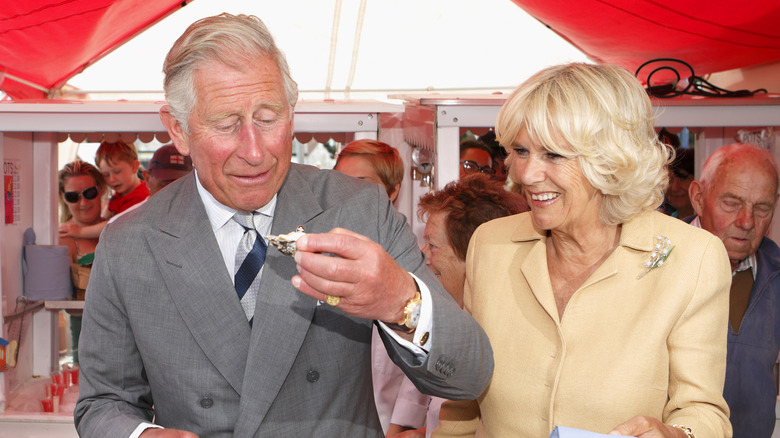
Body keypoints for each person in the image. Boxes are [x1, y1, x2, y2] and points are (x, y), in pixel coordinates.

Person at [74, 13, 493, 438]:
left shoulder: (358, 210)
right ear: (178, 130)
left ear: (293, 113)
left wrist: (402, 300)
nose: (255, 151)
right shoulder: (130, 242)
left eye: (269, 118)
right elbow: (102, 403)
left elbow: (468, 376)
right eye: (226, 124)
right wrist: (142, 435)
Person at [434, 63, 732, 438]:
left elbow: (703, 411)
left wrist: (676, 434)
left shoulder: (694, 257)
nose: (526, 174)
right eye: (522, 151)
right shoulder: (491, 244)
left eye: (554, 155)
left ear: (612, 160)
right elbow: (464, 398)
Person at [412, 174, 527, 437]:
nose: (423, 255)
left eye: (432, 244)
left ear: (473, 255)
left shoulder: (495, 334)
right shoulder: (452, 318)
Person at [333, 139, 430, 437]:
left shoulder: (412, 260)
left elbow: (425, 351)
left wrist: (399, 425)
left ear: (392, 190)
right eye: (338, 181)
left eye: (360, 182)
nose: (345, 191)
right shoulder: (321, 255)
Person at [687, 142, 780, 438]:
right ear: (699, 198)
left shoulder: (776, 274)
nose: (747, 221)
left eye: (762, 208)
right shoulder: (655, 263)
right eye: (732, 203)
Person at [57, 160, 107, 364]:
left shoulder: (119, 225)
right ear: (63, 197)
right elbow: (63, 300)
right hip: (83, 334)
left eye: (89, 193)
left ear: (101, 189)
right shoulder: (63, 238)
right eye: (72, 196)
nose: (83, 203)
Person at [58, 140, 150, 239]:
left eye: (117, 171)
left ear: (134, 166)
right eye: (106, 175)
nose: (112, 179)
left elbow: (113, 226)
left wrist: (80, 232)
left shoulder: (140, 197)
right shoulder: (122, 195)